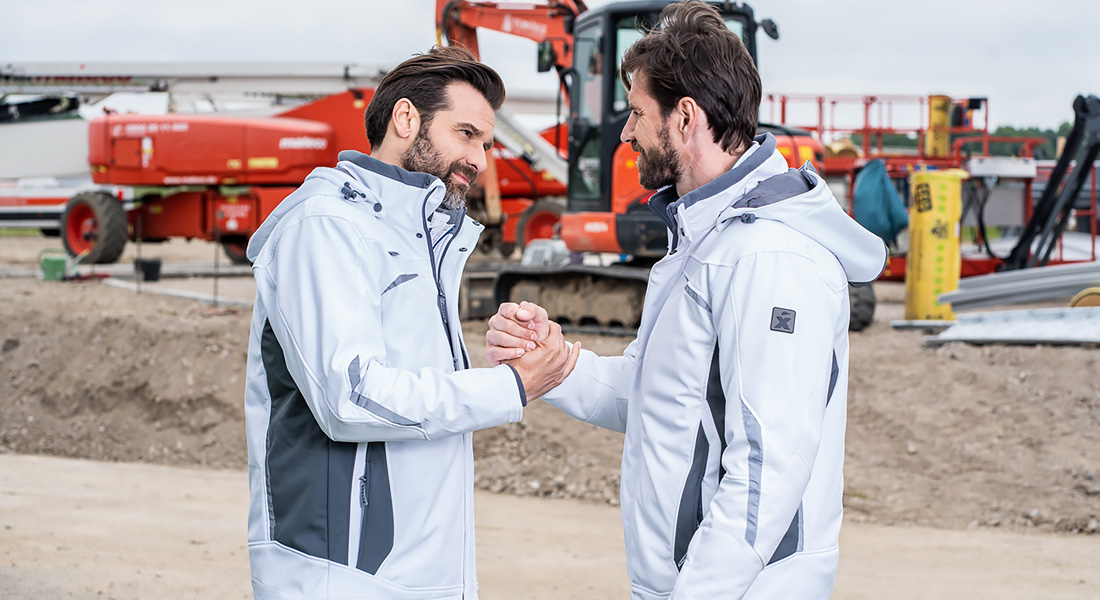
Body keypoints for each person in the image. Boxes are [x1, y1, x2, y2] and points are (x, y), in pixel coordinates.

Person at [485, 2, 887, 598]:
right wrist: (554, 363)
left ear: (686, 117)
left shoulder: (767, 257)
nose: (625, 132)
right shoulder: (706, 241)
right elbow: (662, 397)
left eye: (639, 113)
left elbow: (766, 472)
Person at [242, 45, 580, 599]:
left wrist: (507, 354)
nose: (481, 159)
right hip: (341, 572)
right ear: (405, 119)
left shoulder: (421, 242)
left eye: (487, 143)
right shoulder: (327, 227)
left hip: (424, 573)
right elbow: (350, 395)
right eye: (466, 133)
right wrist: (507, 387)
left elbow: (418, 392)